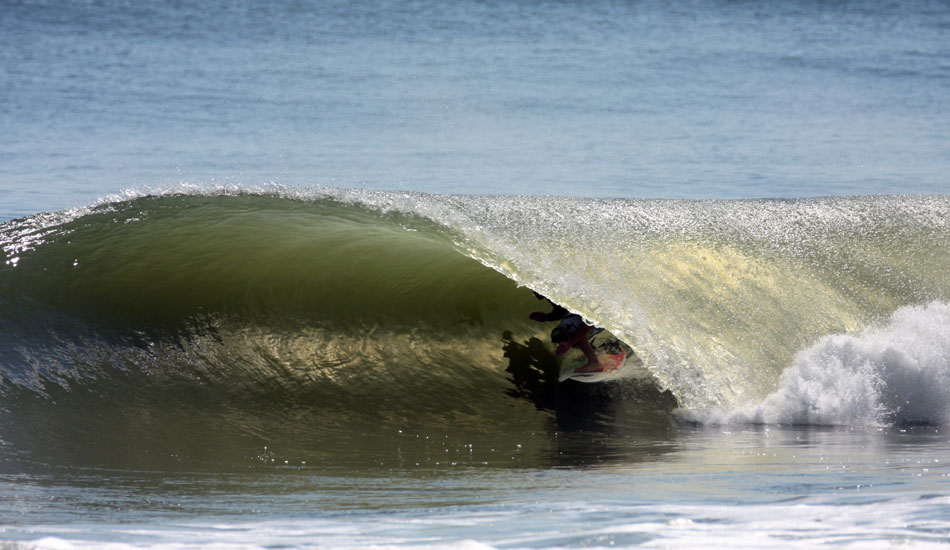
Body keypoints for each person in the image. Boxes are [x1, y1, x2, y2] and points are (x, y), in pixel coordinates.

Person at [529, 292, 603, 373]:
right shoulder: (547, 288)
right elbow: (562, 311)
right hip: (589, 317)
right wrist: (547, 317)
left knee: (568, 328)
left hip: (601, 317)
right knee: (558, 334)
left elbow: (591, 320)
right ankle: (594, 352)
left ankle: (594, 363)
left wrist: (569, 343)